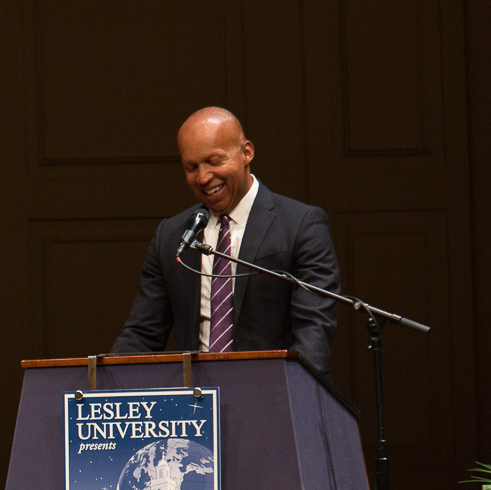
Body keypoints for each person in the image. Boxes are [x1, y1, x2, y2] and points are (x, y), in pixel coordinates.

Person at [111, 106, 341, 376]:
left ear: (247, 152)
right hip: (194, 407)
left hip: (271, 396)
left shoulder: (301, 225)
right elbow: (142, 333)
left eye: (215, 161)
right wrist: (102, 391)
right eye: (191, 167)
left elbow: (313, 331)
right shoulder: (173, 236)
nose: (203, 177)